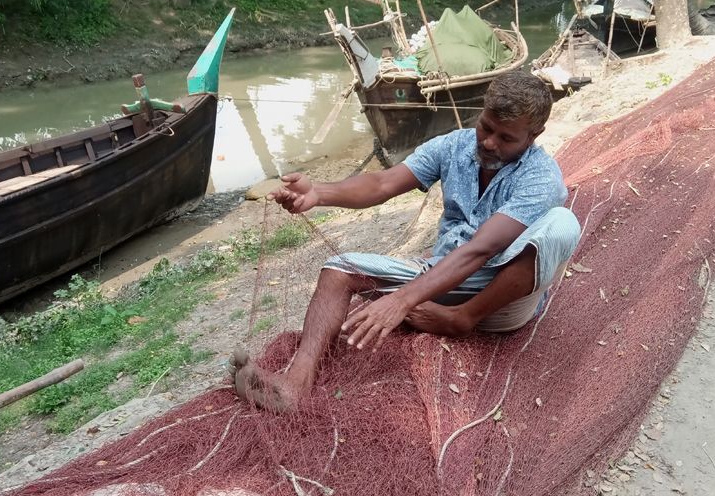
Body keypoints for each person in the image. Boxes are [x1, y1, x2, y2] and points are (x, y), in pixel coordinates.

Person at [231, 71, 581, 412]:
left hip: (499, 297)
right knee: (338, 270)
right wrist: (319, 193)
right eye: (486, 127)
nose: (489, 142)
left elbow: (482, 249)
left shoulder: (540, 176)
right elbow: (383, 184)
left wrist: (401, 300)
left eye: (506, 138)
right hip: (440, 274)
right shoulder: (453, 146)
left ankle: (460, 318)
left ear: (534, 135)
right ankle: (294, 385)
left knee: (562, 223)